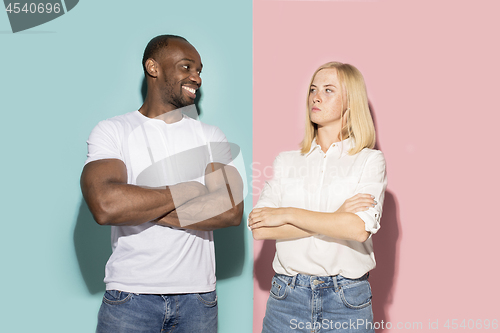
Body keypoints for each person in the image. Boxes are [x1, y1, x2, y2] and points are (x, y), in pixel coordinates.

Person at [80, 35, 244, 333]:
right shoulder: (113, 131)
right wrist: (191, 190)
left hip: (198, 299)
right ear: (153, 67)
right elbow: (106, 205)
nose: (196, 77)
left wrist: (137, 204)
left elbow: (231, 210)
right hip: (130, 297)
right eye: (186, 67)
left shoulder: (211, 136)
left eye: (199, 70)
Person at [249, 62, 387, 333]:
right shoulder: (286, 161)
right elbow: (261, 228)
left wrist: (287, 213)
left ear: (351, 101)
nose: (316, 96)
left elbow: (358, 230)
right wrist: (337, 217)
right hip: (287, 297)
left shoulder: (369, 160)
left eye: (328, 90)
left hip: (347, 300)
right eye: (313, 89)